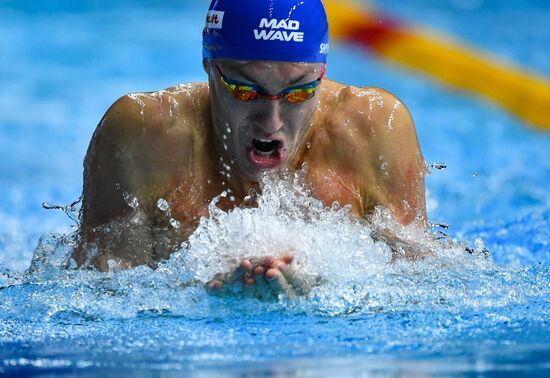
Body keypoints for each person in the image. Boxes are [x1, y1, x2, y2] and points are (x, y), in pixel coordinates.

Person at [74, 0, 427, 298]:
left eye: (300, 92)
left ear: (322, 72)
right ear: (210, 68)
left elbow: (423, 289)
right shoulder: (143, 137)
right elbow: (100, 297)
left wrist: (323, 291)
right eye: (245, 91)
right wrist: (205, 297)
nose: (271, 122)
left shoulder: (375, 131)